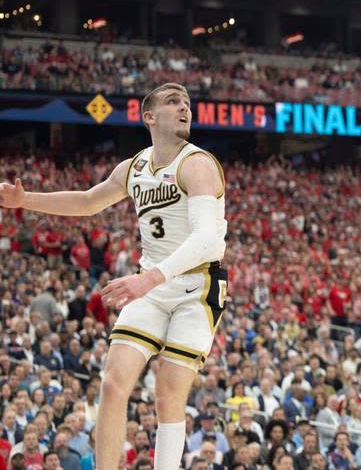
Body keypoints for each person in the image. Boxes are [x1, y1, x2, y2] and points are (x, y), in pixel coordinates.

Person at [0, 83, 228, 470]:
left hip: (196, 285)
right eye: (173, 102)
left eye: (187, 103)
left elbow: (208, 237)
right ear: (149, 116)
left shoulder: (197, 164)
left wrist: (149, 278)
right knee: (112, 382)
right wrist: (26, 200)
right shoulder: (133, 167)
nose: (184, 108)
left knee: (169, 391)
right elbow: (89, 201)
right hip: (152, 286)